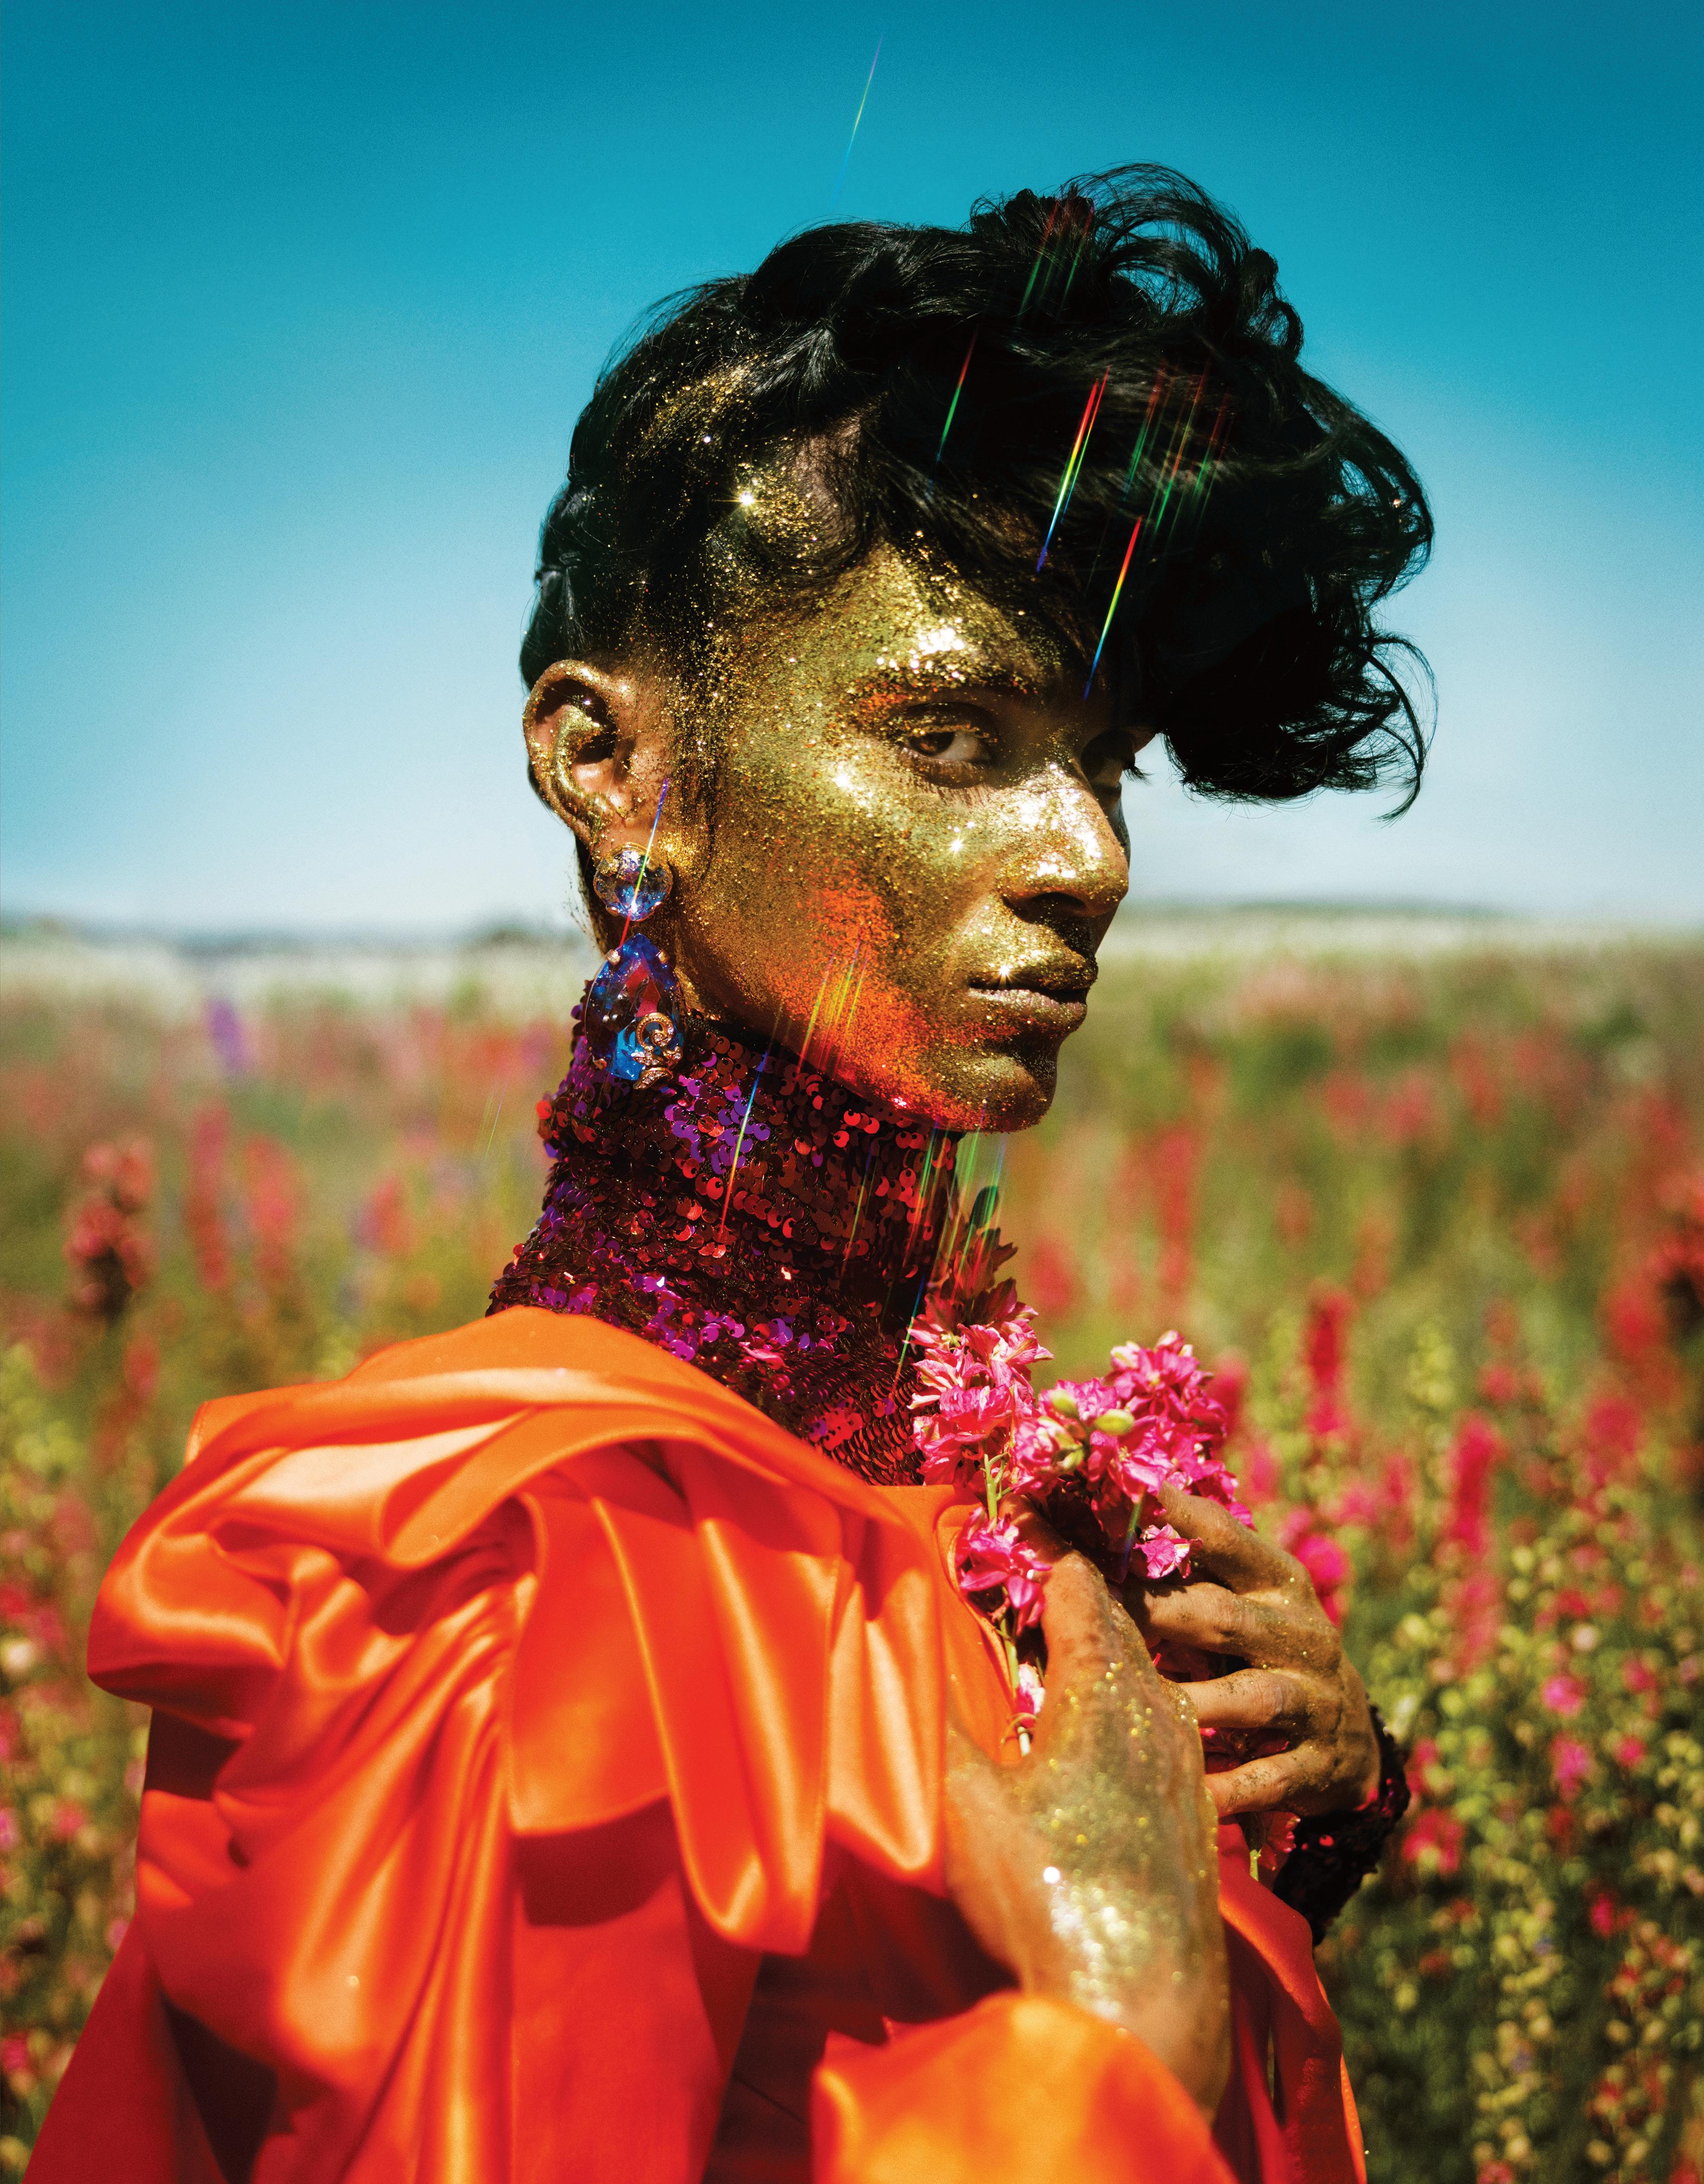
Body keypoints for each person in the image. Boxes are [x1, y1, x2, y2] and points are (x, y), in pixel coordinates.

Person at [36, 165, 1426, 2181]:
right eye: (948, 731)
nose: (1091, 857)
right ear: (615, 767)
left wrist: (1298, 1840)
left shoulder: (958, 1498)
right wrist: (1114, 2035)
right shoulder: (497, 1579)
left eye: (1103, 759)